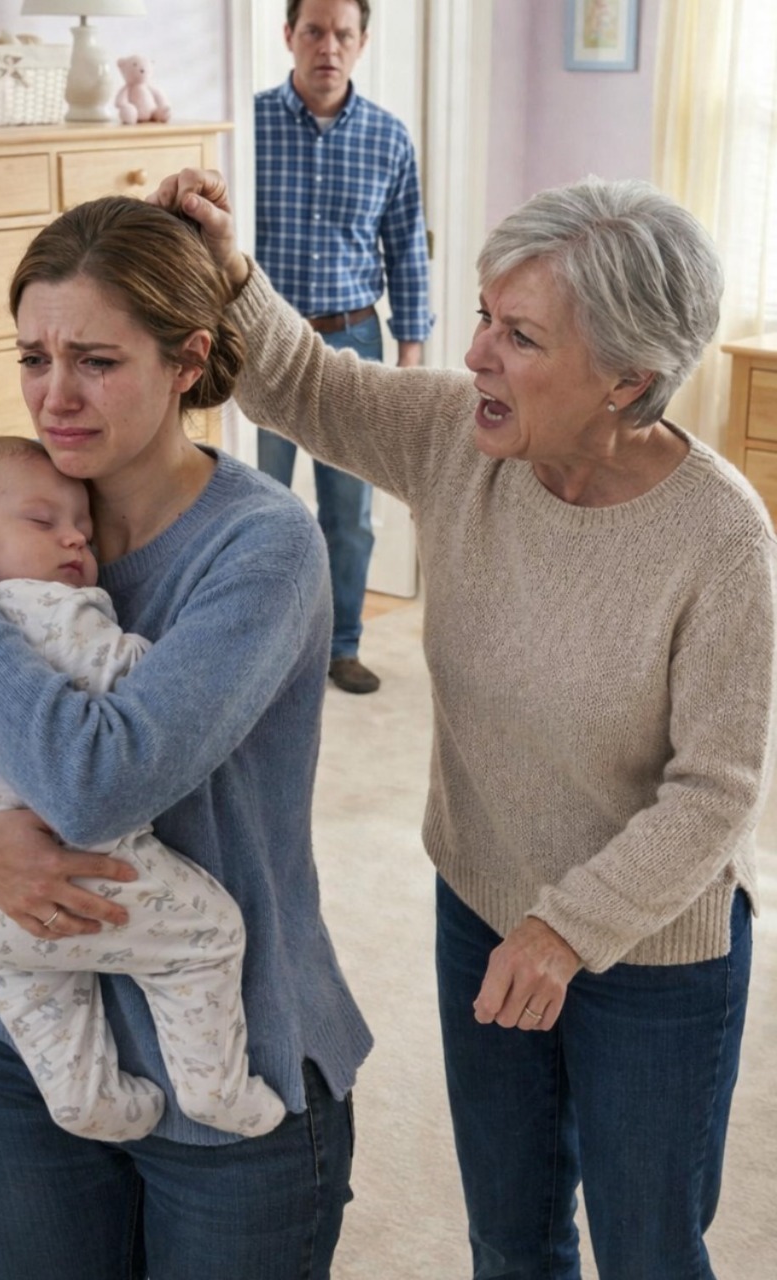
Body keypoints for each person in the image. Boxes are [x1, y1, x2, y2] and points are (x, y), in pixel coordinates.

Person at [151, 167, 777, 1279]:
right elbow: (304, 382)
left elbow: (717, 792)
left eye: (520, 335)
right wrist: (231, 270)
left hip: (654, 952)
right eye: (484, 316)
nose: (476, 352)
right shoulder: (458, 434)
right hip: (482, 902)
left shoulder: (719, 536)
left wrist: (568, 927)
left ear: (627, 379)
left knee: (647, 1249)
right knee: (511, 1236)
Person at [0, 194, 371, 1280]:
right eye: (33, 355)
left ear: (186, 360)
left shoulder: (260, 547)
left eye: (96, 361)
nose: (53, 395)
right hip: (19, 1051)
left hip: (226, 1066)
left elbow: (98, 783)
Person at [0, 434, 285, 1143]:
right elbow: (134, 683)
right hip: (76, 874)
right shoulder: (51, 609)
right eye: (43, 524)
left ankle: (88, 1103)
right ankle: (214, 1088)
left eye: (83, 522)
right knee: (206, 935)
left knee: (37, 990)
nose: (75, 537)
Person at [255, 0, 433, 695]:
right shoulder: (253, 125)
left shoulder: (389, 139)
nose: (328, 46)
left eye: (343, 34)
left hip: (354, 340)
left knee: (349, 514)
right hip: (264, 340)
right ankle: (266, 654)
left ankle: (342, 645)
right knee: (262, 504)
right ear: (289, 37)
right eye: (314, 31)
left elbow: (407, 249)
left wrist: (411, 350)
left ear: (362, 44)